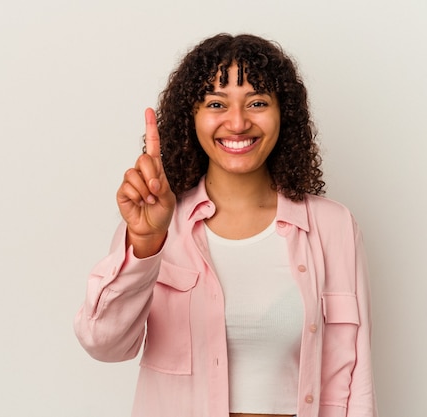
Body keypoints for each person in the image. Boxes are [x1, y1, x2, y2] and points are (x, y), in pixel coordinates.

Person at [74, 33, 377, 417]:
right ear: (192, 117)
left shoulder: (333, 227)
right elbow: (104, 343)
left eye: (257, 103)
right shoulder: (157, 224)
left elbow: (356, 382)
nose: (237, 122)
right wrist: (146, 241)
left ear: (285, 115)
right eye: (216, 103)